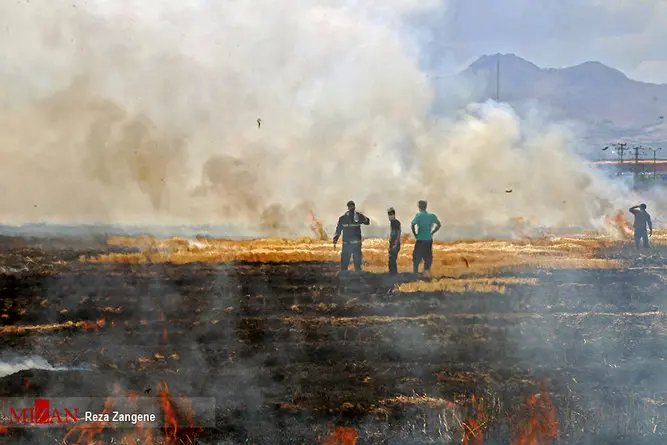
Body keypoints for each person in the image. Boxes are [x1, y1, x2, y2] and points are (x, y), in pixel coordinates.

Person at [333, 201, 370, 272]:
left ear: (354, 207)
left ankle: (358, 274)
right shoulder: (343, 218)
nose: (351, 208)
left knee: (357, 262)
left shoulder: (358, 216)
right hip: (347, 244)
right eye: (350, 206)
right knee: (345, 261)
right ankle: (344, 274)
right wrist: (335, 238)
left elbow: (367, 222)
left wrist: (362, 216)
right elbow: (338, 229)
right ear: (348, 207)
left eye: (352, 206)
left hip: (356, 244)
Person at [411, 200, 441, 277]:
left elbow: (412, 224)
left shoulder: (418, 215)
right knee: (427, 257)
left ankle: (415, 274)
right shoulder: (432, 216)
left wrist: (415, 234)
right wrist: (432, 232)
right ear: (426, 206)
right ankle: (426, 274)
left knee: (416, 257)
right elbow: (439, 225)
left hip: (420, 239)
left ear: (419, 207)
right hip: (428, 239)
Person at [387, 208, 401, 275]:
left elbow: (398, 233)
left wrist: (395, 243)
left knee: (392, 259)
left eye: (391, 215)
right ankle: (392, 273)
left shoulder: (396, 222)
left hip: (395, 243)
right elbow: (392, 233)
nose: (389, 217)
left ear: (393, 215)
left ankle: (394, 274)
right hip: (392, 243)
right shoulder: (392, 223)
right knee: (391, 259)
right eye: (389, 215)